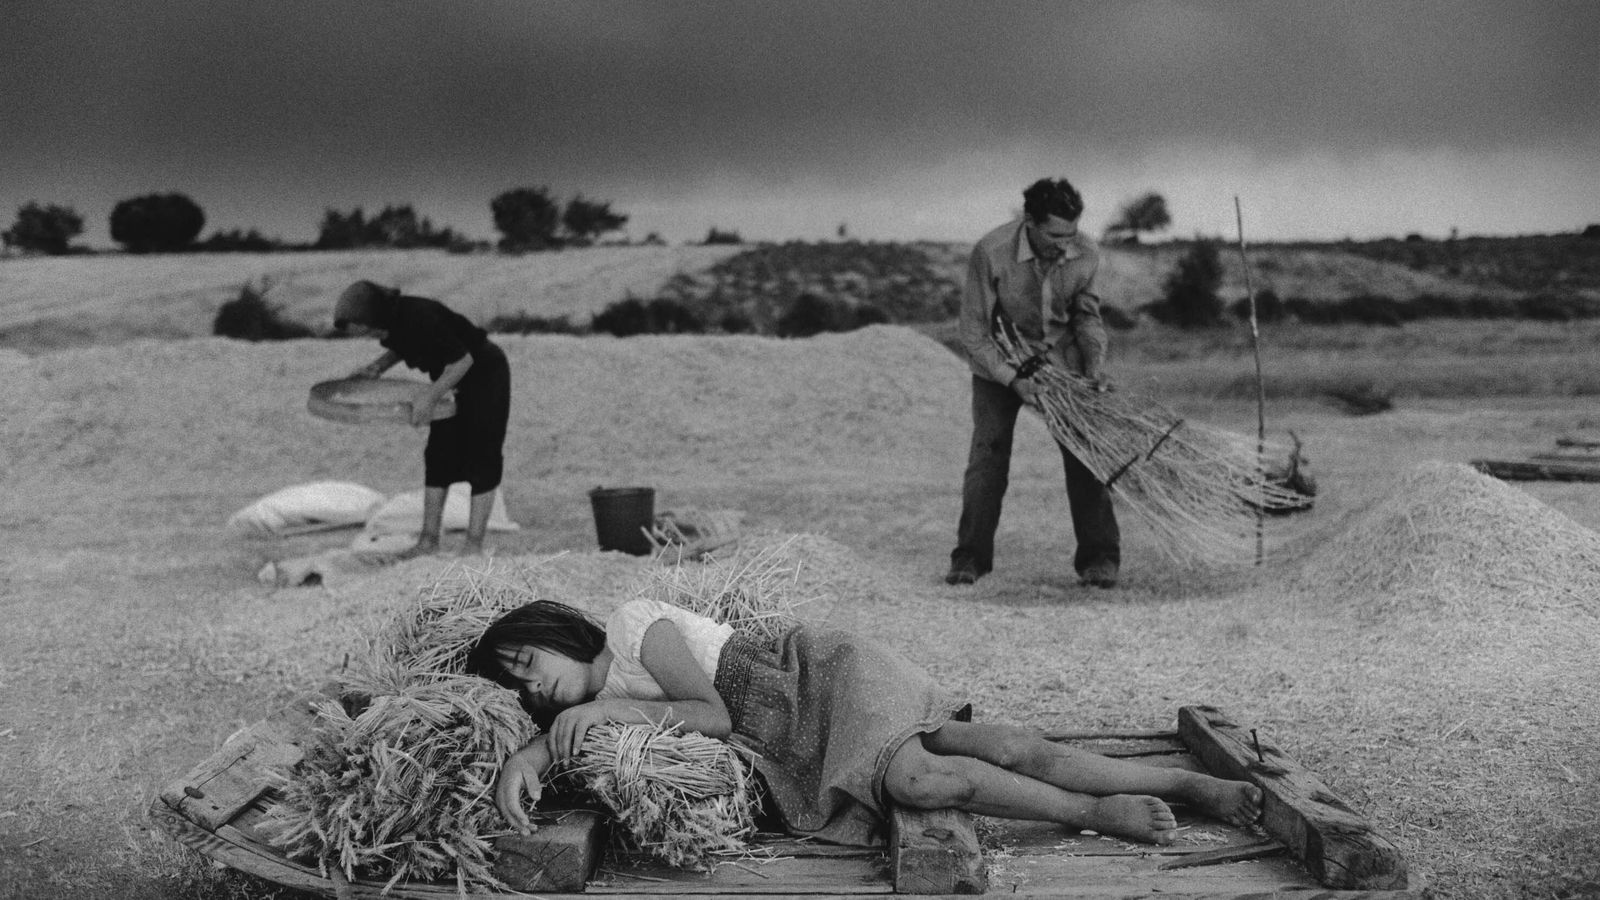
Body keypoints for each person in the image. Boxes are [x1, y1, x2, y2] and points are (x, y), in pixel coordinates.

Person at [467, 598, 1262, 848]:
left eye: (526, 660)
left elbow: (711, 714)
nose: (532, 684)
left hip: (815, 681)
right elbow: (562, 740)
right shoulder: (585, 717)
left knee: (918, 779)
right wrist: (527, 756)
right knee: (1007, 745)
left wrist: (607, 706)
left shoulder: (631, 627)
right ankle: (1184, 784)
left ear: (554, 630)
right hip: (794, 739)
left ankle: (1102, 809)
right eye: (519, 687)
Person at [947, 177, 1120, 589]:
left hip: (1061, 360)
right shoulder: (991, 252)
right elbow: (973, 333)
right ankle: (970, 557)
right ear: (1029, 222)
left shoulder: (1086, 252)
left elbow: (1087, 316)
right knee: (988, 457)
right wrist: (1014, 379)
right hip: (1000, 361)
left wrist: (1094, 364)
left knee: (1085, 454)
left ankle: (1099, 558)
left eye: (1072, 234)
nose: (1065, 245)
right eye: (1055, 236)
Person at [334, 280, 512, 557]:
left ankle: (473, 546)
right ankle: (428, 541)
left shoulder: (419, 316)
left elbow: (463, 361)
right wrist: (376, 368)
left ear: (368, 316)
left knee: (482, 456)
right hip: (448, 380)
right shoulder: (395, 320)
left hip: (484, 376)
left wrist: (429, 397)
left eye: (359, 327)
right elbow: (404, 344)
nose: (361, 334)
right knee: (439, 456)